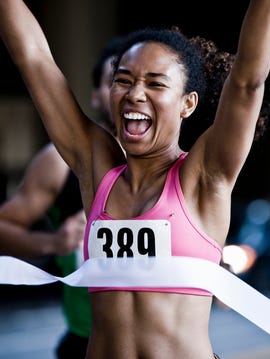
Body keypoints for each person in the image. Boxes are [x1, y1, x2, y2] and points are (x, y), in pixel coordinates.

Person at [0, 0, 270, 357]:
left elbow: (247, 82)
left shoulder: (204, 177)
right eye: (124, 80)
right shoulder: (96, 169)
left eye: (155, 83)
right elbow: (33, 57)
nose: (135, 93)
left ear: (187, 104)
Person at [0, 36, 124, 358]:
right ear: (96, 96)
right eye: (118, 81)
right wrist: (54, 243)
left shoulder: (174, 167)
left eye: (147, 81)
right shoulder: (58, 162)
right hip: (86, 342)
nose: (132, 93)